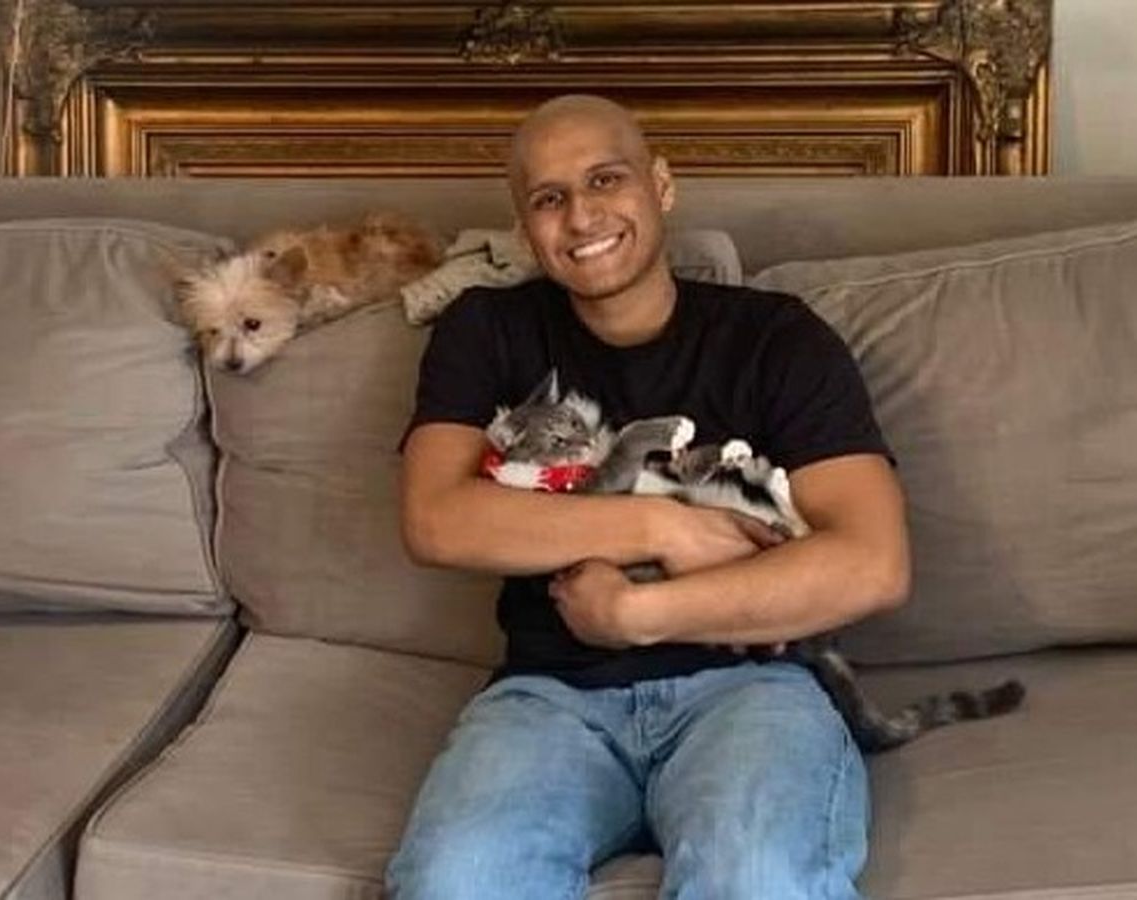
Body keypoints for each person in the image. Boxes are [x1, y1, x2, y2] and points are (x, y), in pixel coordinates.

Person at [386, 94, 910, 899]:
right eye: (549, 198)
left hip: (752, 690)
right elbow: (434, 520)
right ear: (525, 228)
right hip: (550, 697)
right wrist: (659, 526)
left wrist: (639, 613)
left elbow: (873, 565)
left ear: (661, 185)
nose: (581, 216)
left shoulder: (776, 337)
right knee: (459, 880)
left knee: (758, 877)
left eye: (606, 179)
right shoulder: (486, 329)